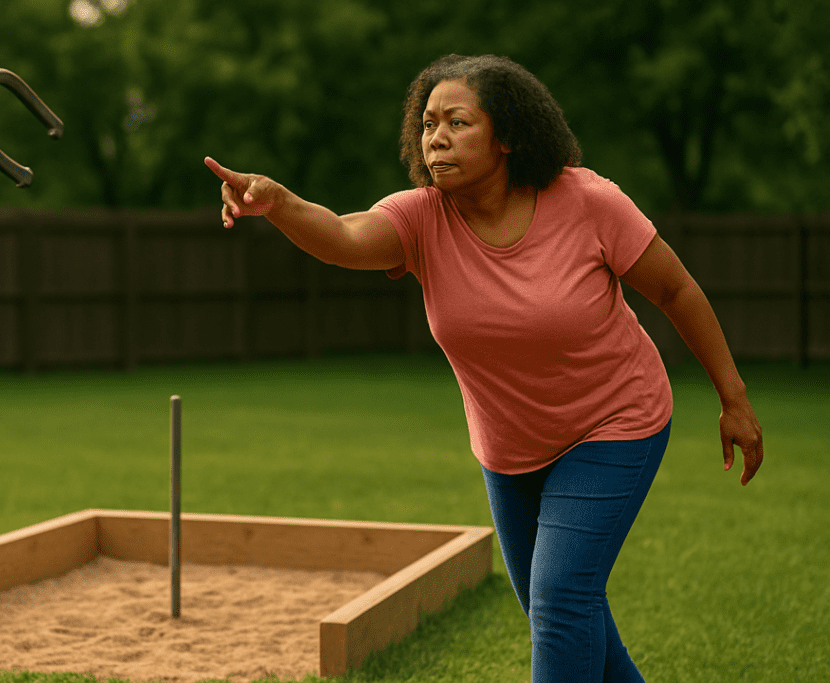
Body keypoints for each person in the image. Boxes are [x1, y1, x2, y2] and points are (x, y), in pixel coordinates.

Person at [205, 53, 764, 682]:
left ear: (505, 137)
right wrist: (278, 203)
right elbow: (344, 236)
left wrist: (733, 397)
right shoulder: (420, 216)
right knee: (562, 608)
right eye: (426, 123)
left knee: (560, 600)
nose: (434, 135)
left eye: (456, 122)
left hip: (615, 421)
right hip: (510, 448)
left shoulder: (587, 200)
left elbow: (676, 291)